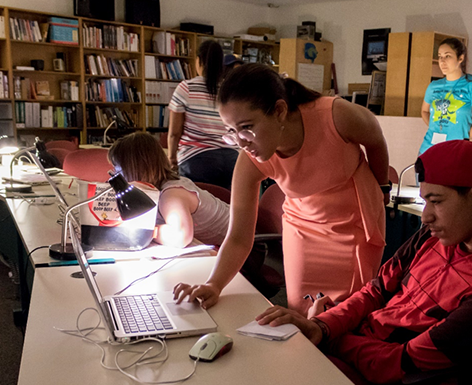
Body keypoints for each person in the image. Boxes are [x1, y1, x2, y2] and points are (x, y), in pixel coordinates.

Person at [255, 140, 472, 385]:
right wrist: (323, 325)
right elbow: (375, 292)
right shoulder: (433, 238)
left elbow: (403, 361)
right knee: (281, 371)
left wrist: (330, 338)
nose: (425, 216)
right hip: (366, 351)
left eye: (436, 201)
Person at [173, 63, 391, 316]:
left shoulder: (335, 115)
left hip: (354, 221)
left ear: (279, 110)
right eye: (232, 132)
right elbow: (239, 237)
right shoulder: (251, 160)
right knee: (301, 309)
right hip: (303, 226)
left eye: (247, 127)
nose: (242, 142)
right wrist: (214, 284)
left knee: (347, 312)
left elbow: (375, 141)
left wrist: (382, 185)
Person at [108, 131, 230, 248]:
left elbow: (180, 237)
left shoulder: (172, 194)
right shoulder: (156, 189)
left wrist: (145, 230)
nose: (114, 175)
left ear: (134, 169)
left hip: (243, 242)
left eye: (118, 171)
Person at [167, 40, 238, 190]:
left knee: (198, 209)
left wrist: (172, 159)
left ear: (198, 60)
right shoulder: (230, 90)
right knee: (226, 208)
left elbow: (175, 133)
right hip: (233, 160)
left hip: (197, 161)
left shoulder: (186, 88)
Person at [419, 38, 472, 154]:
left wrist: (459, 138)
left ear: (460, 58)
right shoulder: (433, 86)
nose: (442, 61)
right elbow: (424, 112)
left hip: (455, 149)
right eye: (440, 56)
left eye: (447, 56)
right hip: (428, 148)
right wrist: (435, 127)